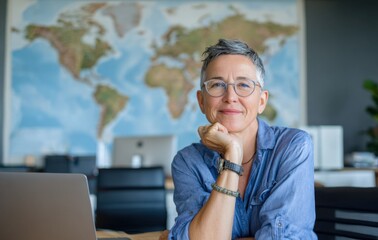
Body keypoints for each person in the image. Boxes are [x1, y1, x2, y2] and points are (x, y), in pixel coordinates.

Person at [167, 39, 317, 239]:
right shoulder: (187, 162)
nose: (230, 96)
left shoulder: (293, 146)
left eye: (243, 84)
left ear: (261, 101)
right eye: (217, 85)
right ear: (202, 101)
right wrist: (232, 158)